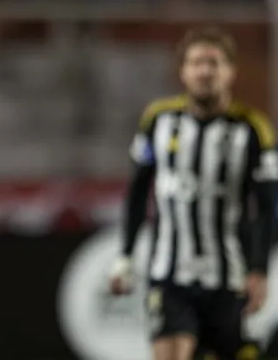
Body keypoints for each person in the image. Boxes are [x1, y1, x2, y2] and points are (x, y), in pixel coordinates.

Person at [109, 27, 278, 360]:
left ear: (231, 71)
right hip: (169, 275)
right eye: (197, 62)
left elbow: (268, 206)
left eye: (214, 63)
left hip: (229, 277)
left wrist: (259, 269)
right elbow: (137, 191)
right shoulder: (158, 120)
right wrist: (126, 255)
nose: (205, 71)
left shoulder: (254, 129)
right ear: (183, 71)